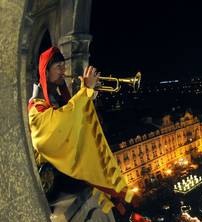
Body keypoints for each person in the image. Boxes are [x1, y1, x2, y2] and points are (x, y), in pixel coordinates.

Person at [28, 46, 140, 213]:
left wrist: (89, 93)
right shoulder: (36, 104)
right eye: (58, 66)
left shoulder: (58, 97)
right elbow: (58, 124)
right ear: (45, 71)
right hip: (53, 175)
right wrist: (84, 91)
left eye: (64, 66)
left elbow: (75, 119)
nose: (63, 70)